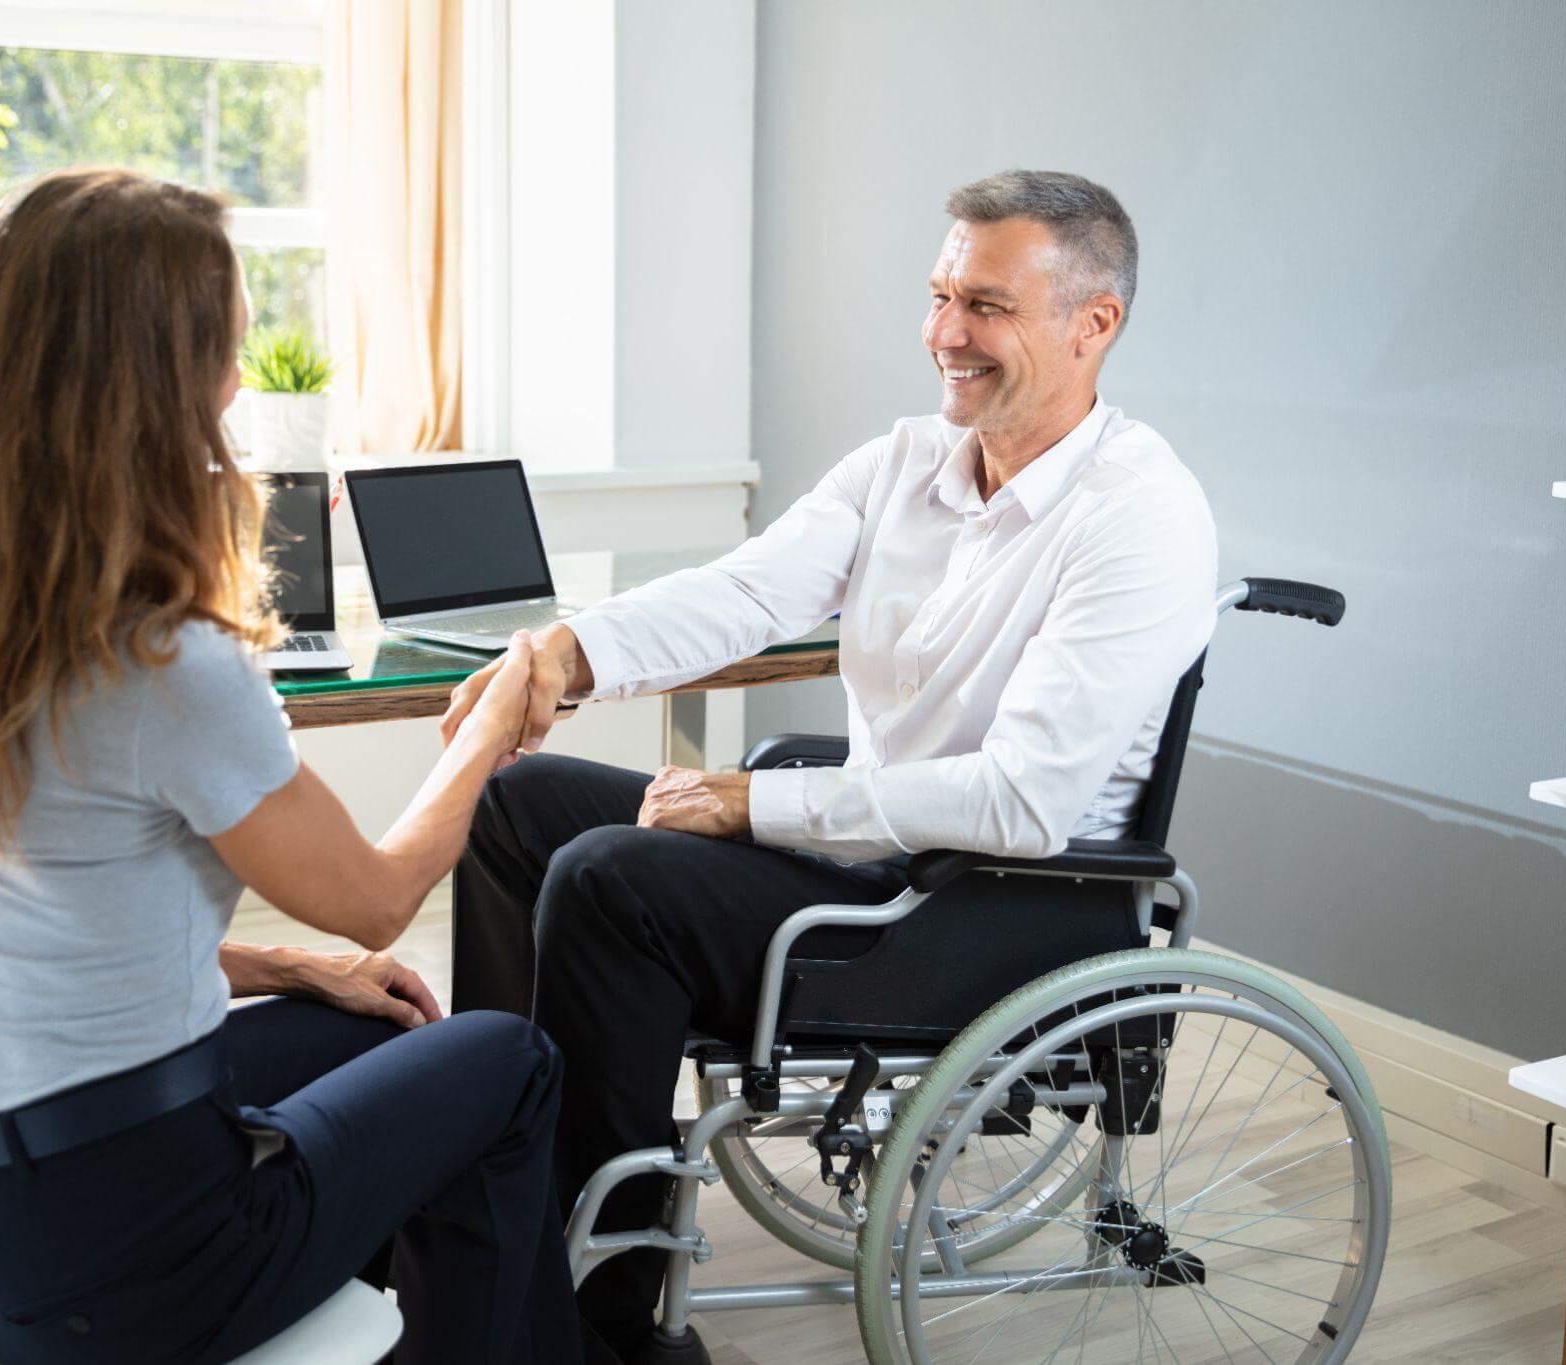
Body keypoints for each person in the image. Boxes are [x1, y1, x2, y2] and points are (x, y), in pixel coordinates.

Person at [438, 169, 1220, 1360]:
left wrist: (756, 801)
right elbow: (744, 593)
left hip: (991, 907)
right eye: (939, 294)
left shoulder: (1141, 516)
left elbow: (1020, 798)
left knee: (611, 878)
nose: (944, 334)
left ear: (1091, 324)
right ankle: (496, 1192)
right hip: (870, 864)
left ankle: (597, 1317)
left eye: (986, 305)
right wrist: (566, 653)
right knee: (516, 804)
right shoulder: (906, 461)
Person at [0, 168, 580, 1365]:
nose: (237, 380)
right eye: (224, 351)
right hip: (133, 1267)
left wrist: (284, 965)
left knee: (377, 1036)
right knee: (508, 1063)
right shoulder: (160, 660)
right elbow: (382, 895)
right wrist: (493, 721)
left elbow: (53, 911)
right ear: (158, 383)